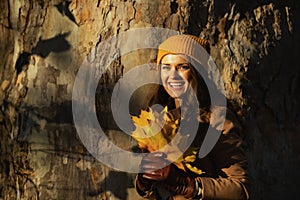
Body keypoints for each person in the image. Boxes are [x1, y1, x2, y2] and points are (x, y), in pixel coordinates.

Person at [134, 34, 250, 199]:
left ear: (198, 72)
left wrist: (187, 185)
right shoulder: (158, 115)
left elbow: (240, 189)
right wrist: (144, 182)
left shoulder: (216, 118)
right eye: (166, 67)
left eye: (182, 67)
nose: (172, 75)